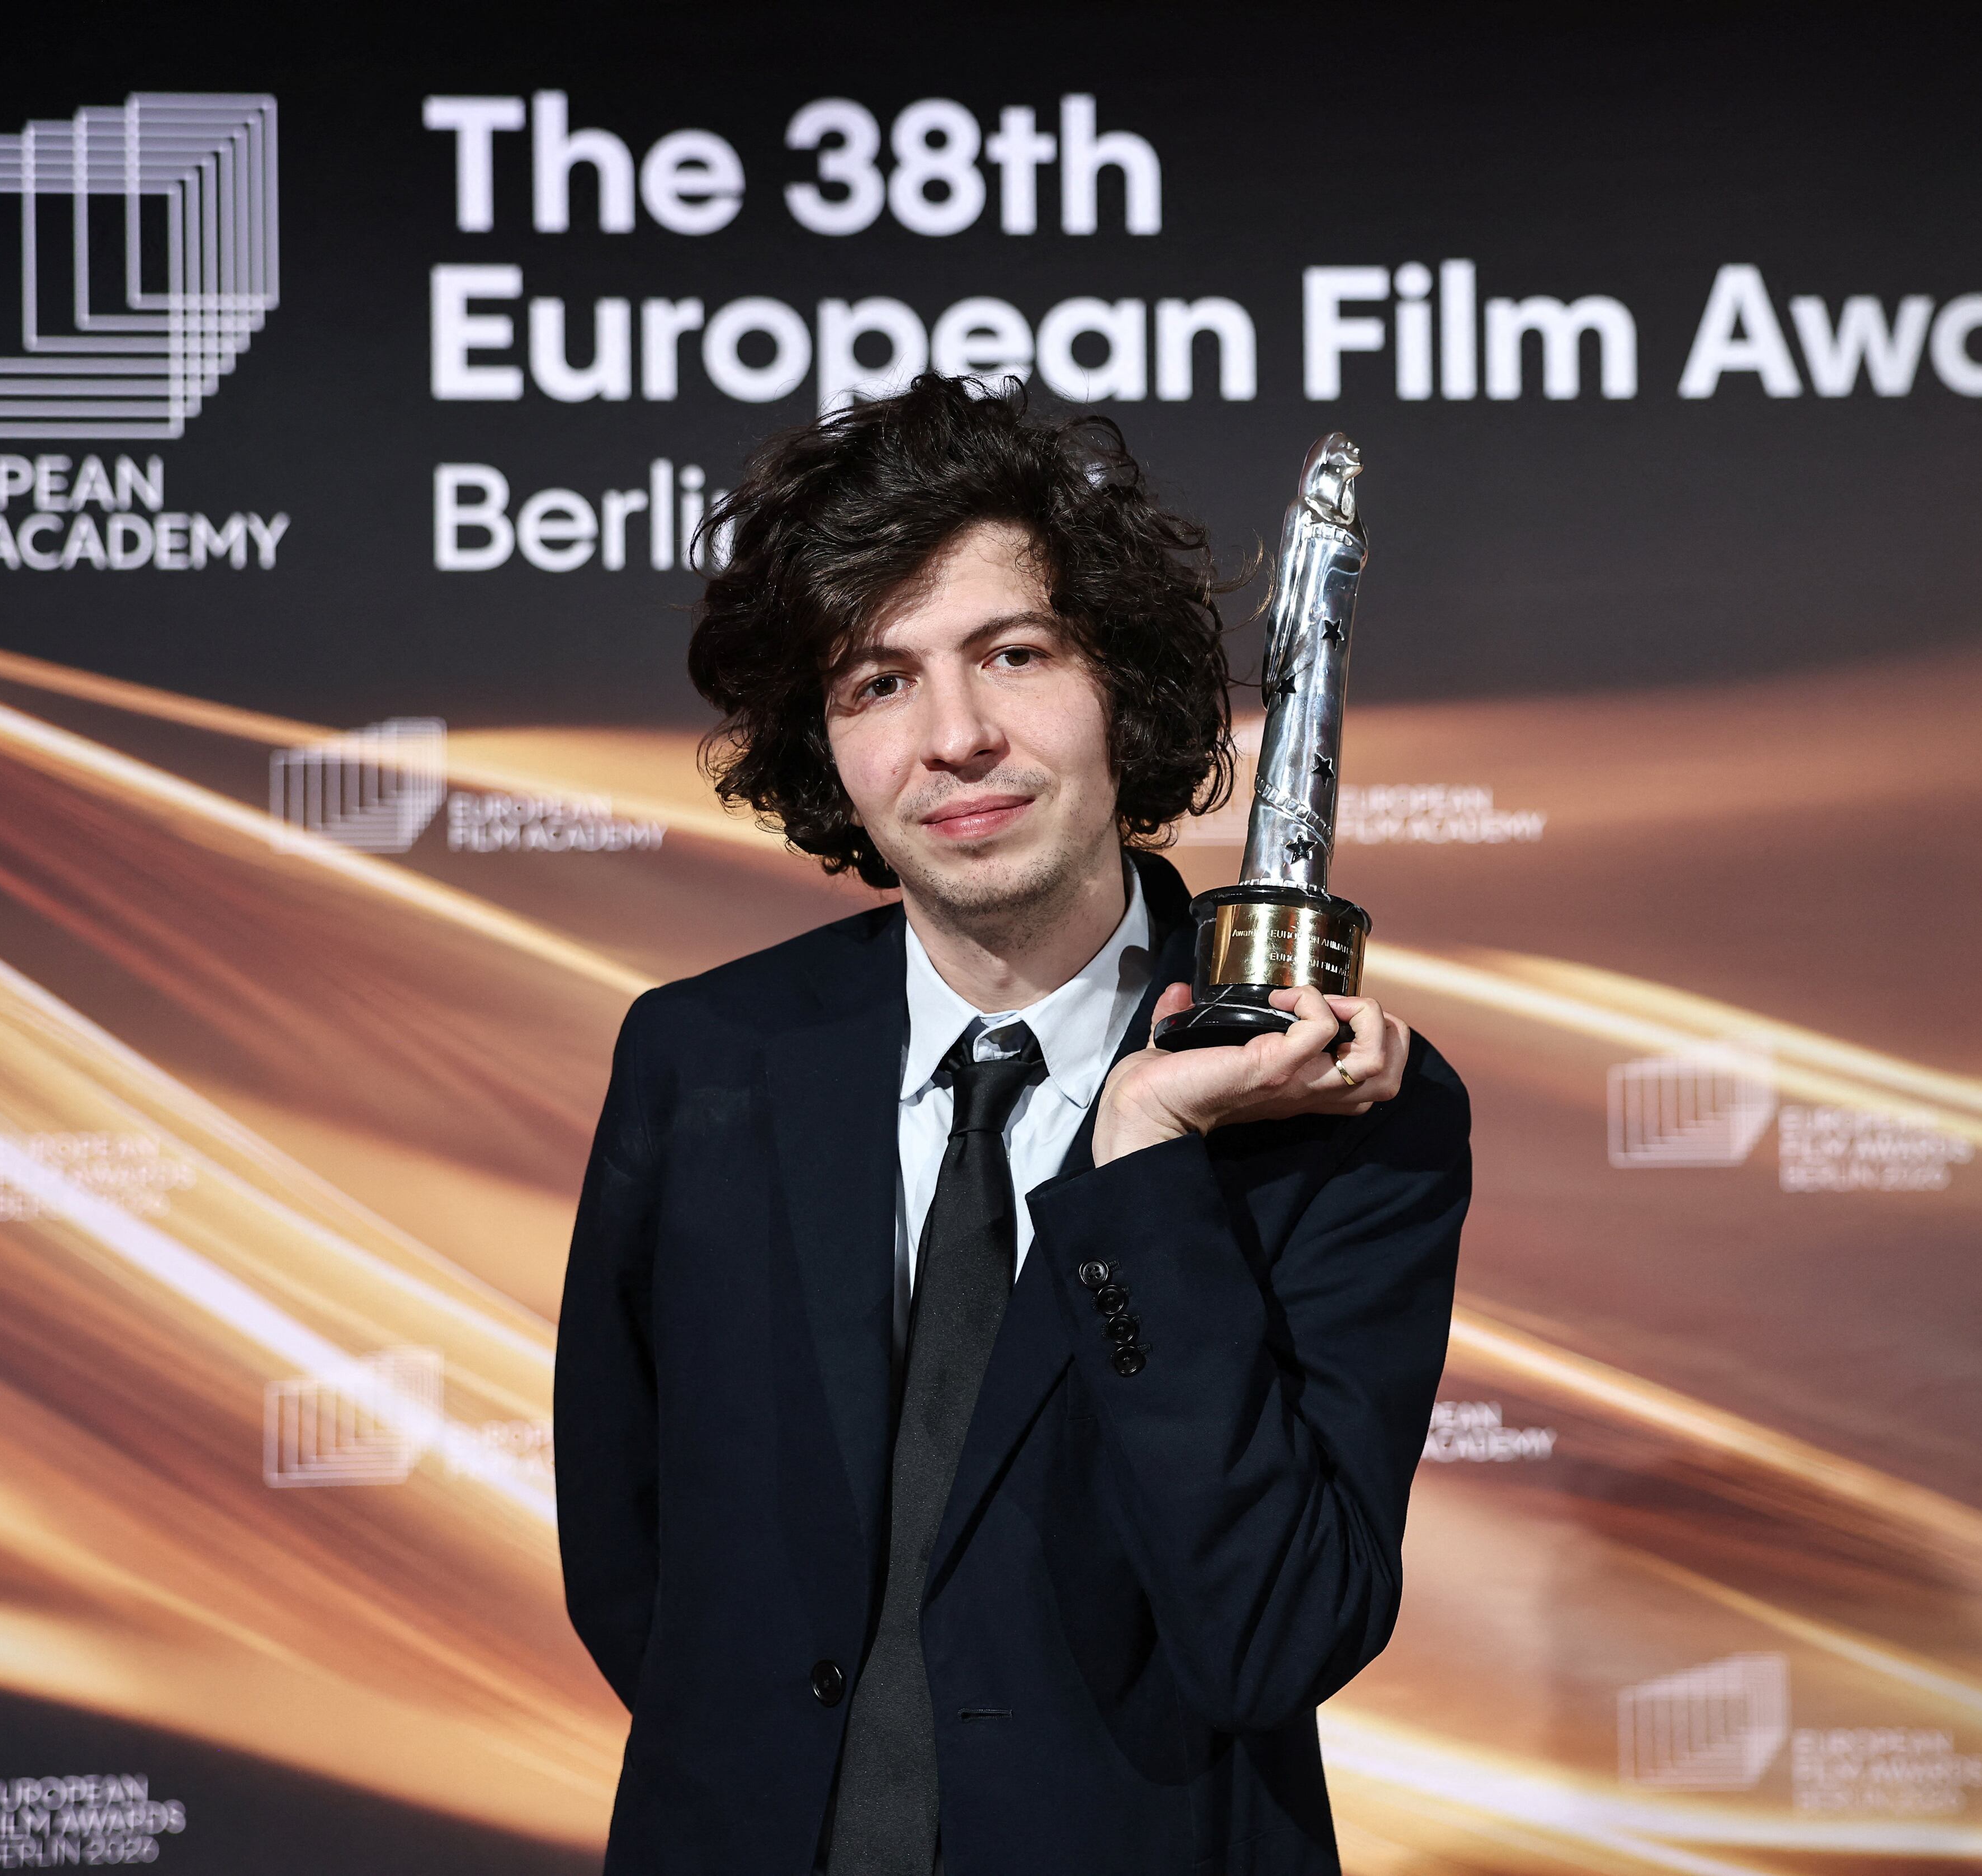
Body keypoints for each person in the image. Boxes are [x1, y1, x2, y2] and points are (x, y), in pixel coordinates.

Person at [555, 375, 1470, 1876]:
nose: (956, 738)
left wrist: (1147, 1158)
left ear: (1125, 686)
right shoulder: (702, 1056)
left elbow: (1273, 1633)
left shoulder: (1339, 1100)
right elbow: (630, 1557)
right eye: (878, 682)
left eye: (1014, 654)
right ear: (826, 748)